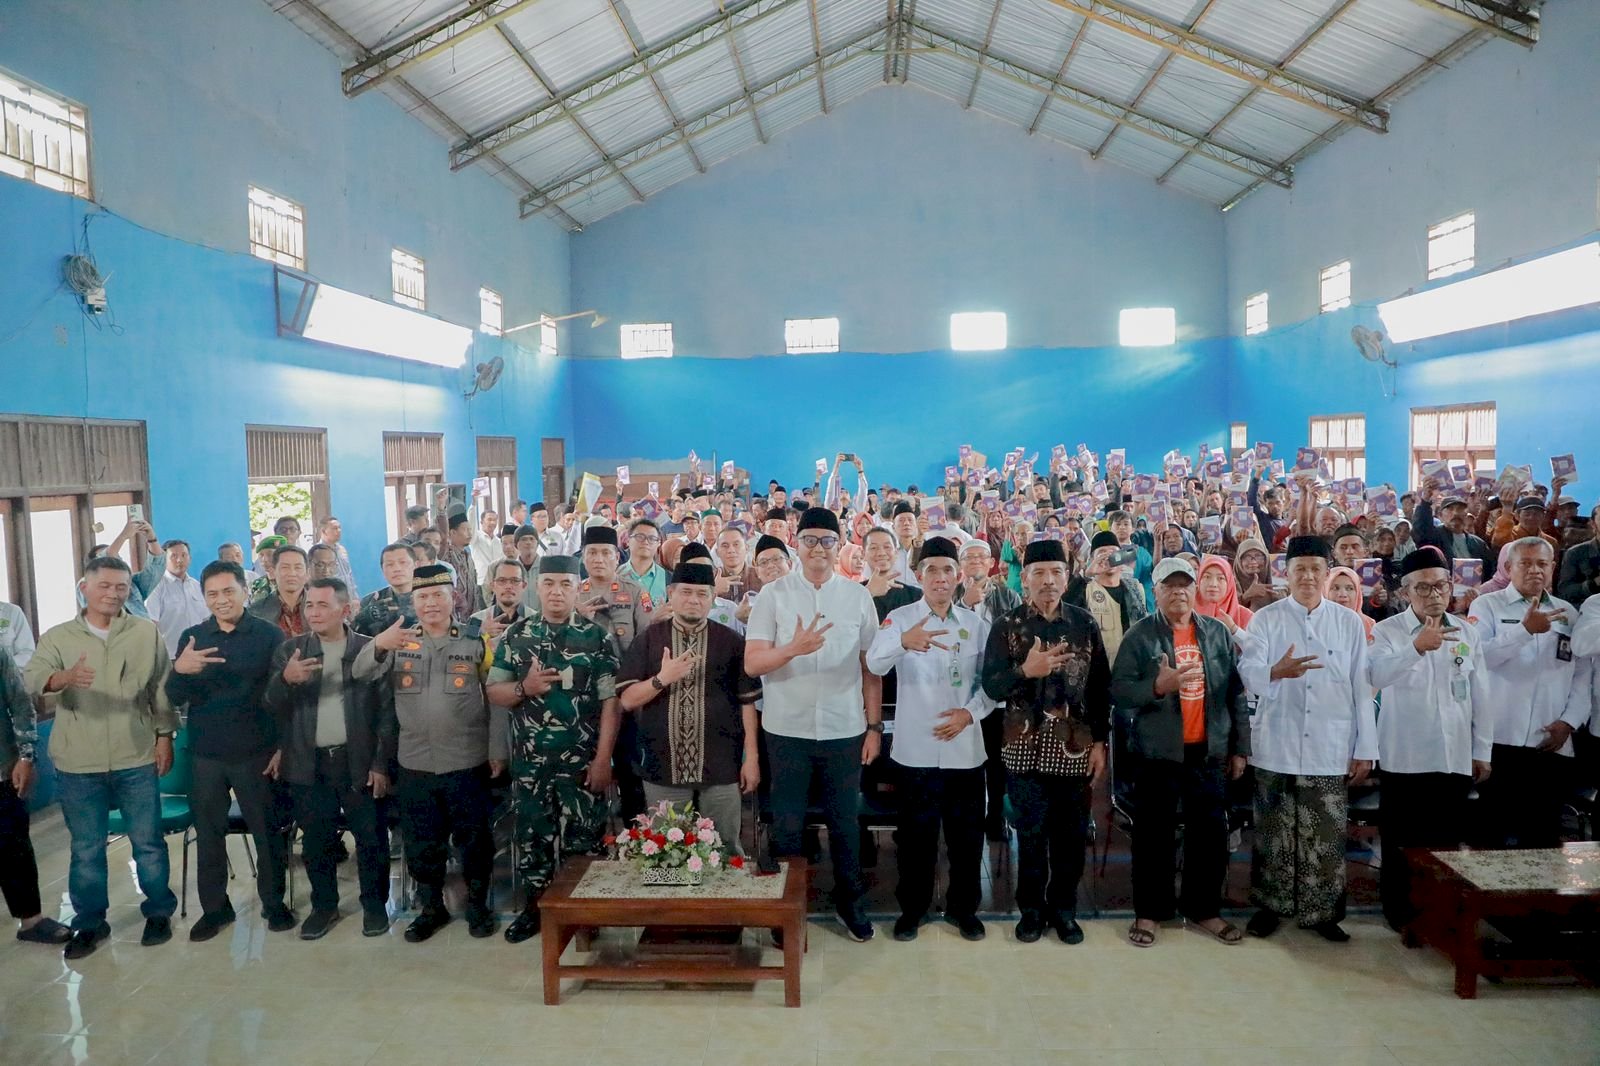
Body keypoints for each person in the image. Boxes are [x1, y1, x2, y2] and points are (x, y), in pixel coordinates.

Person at [25, 556, 178, 959]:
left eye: (121, 587)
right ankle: (90, 923)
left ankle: (159, 912)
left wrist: (165, 736)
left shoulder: (146, 633)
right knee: (87, 849)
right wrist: (63, 679)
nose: (113, 594)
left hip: (135, 754)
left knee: (148, 843)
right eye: (105, 586)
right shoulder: (59, 637)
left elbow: (160, 688)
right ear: (85, 588)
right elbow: (32, 679)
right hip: (79, 763)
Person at [746, 506, 883, 943]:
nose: (818, 548)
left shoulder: (857, 596)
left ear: (840, 544)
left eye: (827, 540)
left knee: (845, 824)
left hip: (845, 729)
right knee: (787, 825)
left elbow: (870, 668)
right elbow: (752, 664)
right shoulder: (773, 595)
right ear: (796, 545)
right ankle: (789, 911)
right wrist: (792, 649)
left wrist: (874, 727)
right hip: (787, 730)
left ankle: (850, 904)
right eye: (810, 540)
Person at [354, 564, 505, 942]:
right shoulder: (399, 641)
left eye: (438, 594)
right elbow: (360, 673)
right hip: (415, 762)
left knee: (475, 841)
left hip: (467, 759)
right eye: (422, 597)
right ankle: (431, 908)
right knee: (422, 842)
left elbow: (498, 698)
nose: (431, 603)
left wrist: (497, 749)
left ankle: (477, 906)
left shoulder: (475, 641)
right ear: (413, 601)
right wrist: (379, 644)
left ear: (453, 597)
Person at [1237, 536, 1375, 942]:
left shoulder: (1348, 622)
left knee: (1326, 833)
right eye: (1300, 569)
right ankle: (1270, 906)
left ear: (1328, 574)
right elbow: (1248, 672)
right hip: (1276, 743)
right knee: (1273, 830)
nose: (1308, 576)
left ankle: (1323, 913)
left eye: (1316, 569)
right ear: (1286, 573)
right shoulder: (1267, 619)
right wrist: (1275, 672)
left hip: (1330, 745)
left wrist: (1364, 748)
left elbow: (1361, 688)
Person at [1110, 557, 1250, 948]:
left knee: (1210, 835)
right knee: (1153, 836)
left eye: (1185, 585)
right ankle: (1150, 913)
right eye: (1169, 586)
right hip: (1157, 755)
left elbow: (1234, 694)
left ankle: (1204, 909)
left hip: (1208, 752)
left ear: (1196, 589)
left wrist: (1240, 748)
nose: (1179, 592)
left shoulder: (1218, 634)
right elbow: (1118, 692)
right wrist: (1156, 687)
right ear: (1155, 591)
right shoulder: (1140, 636)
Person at [980, 538, 1111, 946]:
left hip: (1076, 746)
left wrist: (1101, 742)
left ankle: (1064, 911)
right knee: (1031, 836)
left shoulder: (1084, 624)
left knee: (1070, 836)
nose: (1048, 581)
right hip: (1024, 749)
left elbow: (1101, 688)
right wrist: (1026, 670)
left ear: (1067, 577)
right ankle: (1032, 911)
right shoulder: (1007, 625)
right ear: (1025, 579)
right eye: (1039, 573)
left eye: (1056, 572)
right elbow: (990, 685)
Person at [486, 556, 621, 944]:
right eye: (548, 583)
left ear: (578, 587)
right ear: (536, 587)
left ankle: (585, 915)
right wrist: (523, 689)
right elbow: (494, 692)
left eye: (565, 583)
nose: (556, 591)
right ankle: (536, 911)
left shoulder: (596, 638)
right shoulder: (517, 636)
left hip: (581, 761)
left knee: (585, 839)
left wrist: (603, 759)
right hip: (530, 763)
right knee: (532, 839)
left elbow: (611, 703)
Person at [867, 538, 994, 941]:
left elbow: (992, 685)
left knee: (966, 838)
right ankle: (913, 910)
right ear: (918, 575)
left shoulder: (976, 625)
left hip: (964, 747)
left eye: (947, 570)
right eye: (931, 570)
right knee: (915, 839)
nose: (940, 578)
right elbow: (873, 662)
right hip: (915, 749)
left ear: (959, 576)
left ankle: (963, 910)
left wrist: (968, 713)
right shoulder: (901, 618)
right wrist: (903, 642)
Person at [166, 560, 294, 941]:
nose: (221, 600)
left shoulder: (269, 635)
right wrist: (180, 670)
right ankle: (215, 909)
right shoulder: (193, 637)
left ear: (244, 591)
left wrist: (283, 746)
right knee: (209, 835)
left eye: (228, 592)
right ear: (204, 598)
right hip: (207, 755)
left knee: (267, 834)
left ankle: (274, 904)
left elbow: (285, 696)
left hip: (257, 752)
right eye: (212, 594)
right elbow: (174, 697)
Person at [1367, 547, 1492, 937]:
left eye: (1440, 585)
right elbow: (1376, 675)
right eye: (1423, 588)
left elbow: (1480, 694)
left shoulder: (1467, 631)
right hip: (1404, 756)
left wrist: (1482, 750)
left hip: (1453, 755)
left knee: (1446, 841)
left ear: (1451, 586)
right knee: (1401, 842)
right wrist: (1416, 647)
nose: (1434, 594)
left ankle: (1442, 910)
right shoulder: (1387, 631)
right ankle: (1400, 911)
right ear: (1406, 592)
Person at [264, 577, 396, 939]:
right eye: (310, 606)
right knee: (317, 840)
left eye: (323, 605)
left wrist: (380, 763)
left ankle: (374, 906)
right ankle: (324, 907)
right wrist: (286, 679)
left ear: (345, 609)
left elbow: (387, 714)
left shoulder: (370, 650)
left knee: (370, 838)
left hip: (358, 761)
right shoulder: (291, 651)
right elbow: (271, 706)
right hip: (308, 762)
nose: (314, 613)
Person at [618, 560, 760, 855]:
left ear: (712, 598)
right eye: (686, 592)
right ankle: (671, 903)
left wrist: (752, 759)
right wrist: (661, 679)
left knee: (726, 849)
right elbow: (628, 699)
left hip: (721, 765)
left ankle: (724, 903)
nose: (693, 600)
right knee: (664, 852)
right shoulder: (649, 639)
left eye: (701, 594)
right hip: (662, 764)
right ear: (671, 593)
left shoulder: (732, 642)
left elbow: (748, 704)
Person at [1468, 538, 1592, 848]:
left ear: (1553, 568)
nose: (1535, 570)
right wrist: (1523, 631)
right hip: (1500, 740)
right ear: (1509, 568)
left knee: (1543, 839)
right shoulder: (1487, 605)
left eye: (1542, 564)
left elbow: (1581, 675)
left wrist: (1570, 722)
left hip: (1550, 742)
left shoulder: (1566, 612)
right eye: (1526, 563)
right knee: (1490, 840)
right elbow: (1479, 659)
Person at [1, 644, 71, 945]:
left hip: (3, 769)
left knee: (14, 847)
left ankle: (31, 921)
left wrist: (26, 756)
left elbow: (20, 704)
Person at [1065, 531, 1149, 667]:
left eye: (1113, 552)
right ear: (1092, 559)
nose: (1108, 556)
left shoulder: (1135, 588)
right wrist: (1087, 574)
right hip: (1097, 670)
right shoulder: (1085, 588)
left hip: (1131, 669)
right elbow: (1063, 608)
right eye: (1102, 552)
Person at [144, 538, 210, 659]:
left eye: (184, 555)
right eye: (173, 556)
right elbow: (151, 623)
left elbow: (207, 619)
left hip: (200, 653)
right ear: (164, 559)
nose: (179, 560)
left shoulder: (197, 586)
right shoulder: (156, 586)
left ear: (189, 558)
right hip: (170, 655)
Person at [350, 543, 416, 637]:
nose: (397, 569)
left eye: (403, 562)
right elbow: (352, 641)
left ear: (415, 565)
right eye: (390, 565)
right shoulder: (371, 601)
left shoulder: (429, 598)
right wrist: (362, 620)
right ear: (382, 569)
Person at [249, 544, 309, 637]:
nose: (292, 573)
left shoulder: (322, 609)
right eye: (285, 567)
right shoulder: (256, 612)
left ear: (307, 573)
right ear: (274, 571)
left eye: (298, 567)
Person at [472, 558, 531, 652]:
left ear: (524, 586)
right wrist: (481, 633)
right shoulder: (475, 620)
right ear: (492, 586)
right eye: (502, 580)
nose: (508, 586)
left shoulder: (537, 620)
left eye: (515, 580)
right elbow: (463, 651)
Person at [624, 518, 670, 606]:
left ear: (658, 543)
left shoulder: (667, 577)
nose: (645, 542)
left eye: (652, 538)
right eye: (640, 537)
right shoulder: (616, 575)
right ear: (628, 540)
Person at [316, 516, 359, 601]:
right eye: (334, 528)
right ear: (324, 531)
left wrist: (355, 597)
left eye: (339, 528)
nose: (339, 531)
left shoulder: (342, 549)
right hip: (331, 600)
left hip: (348, 599)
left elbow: (349, 574)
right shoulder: (317, 552)